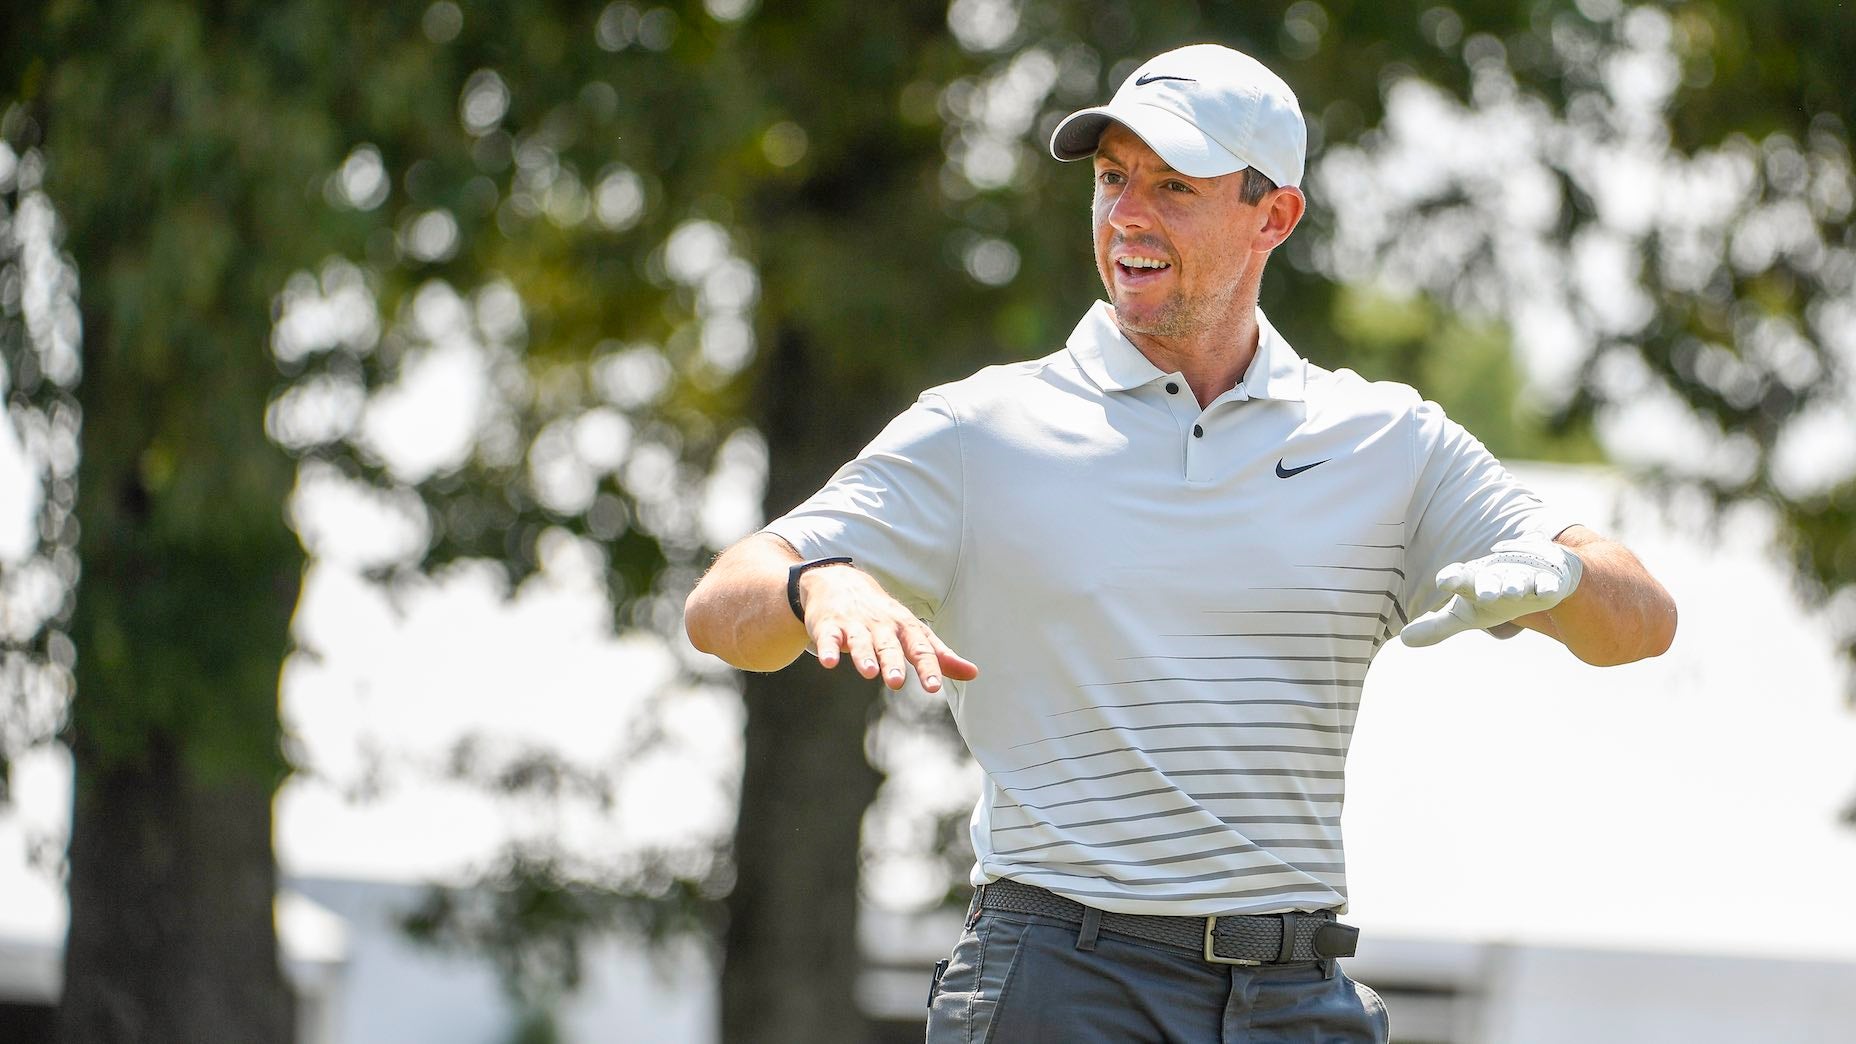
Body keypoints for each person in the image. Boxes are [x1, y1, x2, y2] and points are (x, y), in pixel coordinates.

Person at [684, 42, 1676, 1043]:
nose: (1125, 215)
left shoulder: (1387, 439)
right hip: (1059, 983)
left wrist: (1560, 577)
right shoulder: (979, 428)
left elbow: (1639, 622)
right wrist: (815, 584)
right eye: (1112, 179)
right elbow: (723, 606)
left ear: (1272, 215)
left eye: (1171, 185)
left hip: (1297, 996)